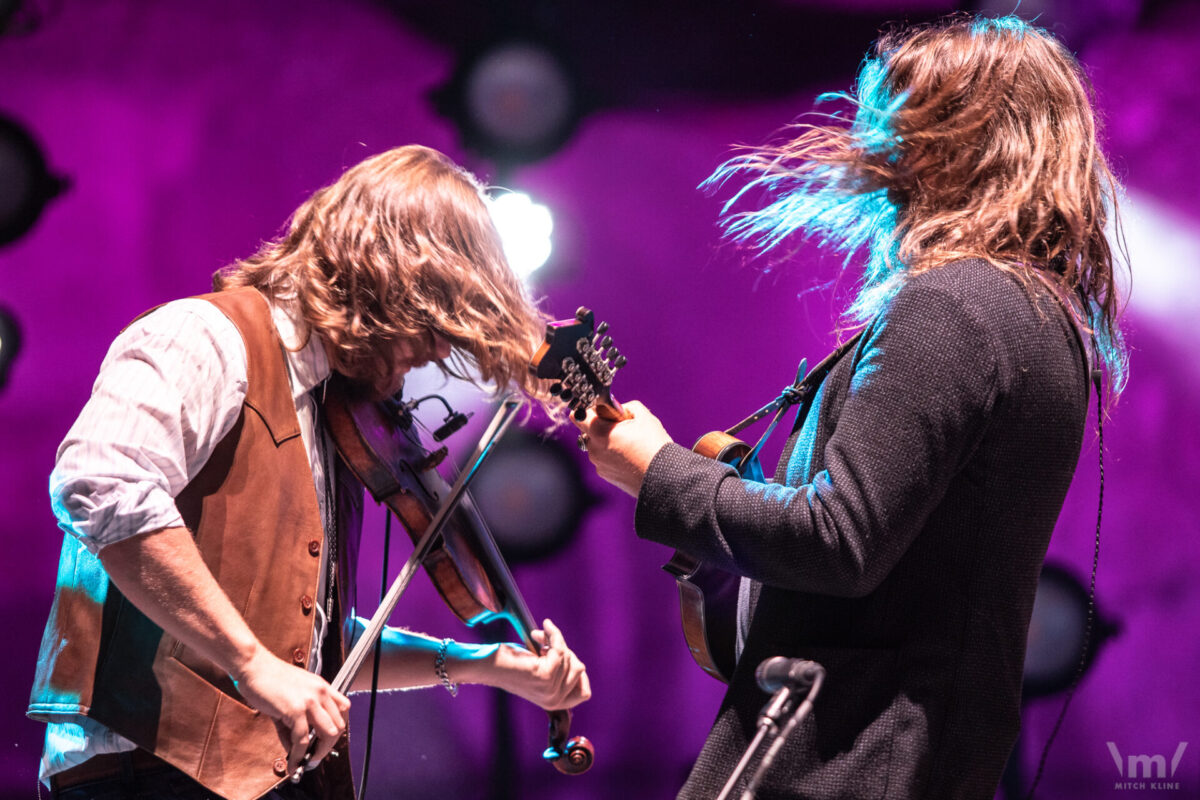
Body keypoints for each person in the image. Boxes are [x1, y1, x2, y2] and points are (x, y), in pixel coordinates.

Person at [576, 14, 1126, 800]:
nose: (869, 141)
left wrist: (657, 472)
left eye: (892, 118)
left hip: (844, 762)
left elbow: (841, 542)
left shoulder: (951, 308)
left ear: (946, 141)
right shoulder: (1040, 319)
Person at [29, 144, 591, 800]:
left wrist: (483, 665)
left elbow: (309, 644)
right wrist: (250, 663)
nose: (436, 353)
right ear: (393, 279)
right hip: (148, 778)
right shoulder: (203, 337)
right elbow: (101, 484)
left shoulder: (329, 413)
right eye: (436, 327)